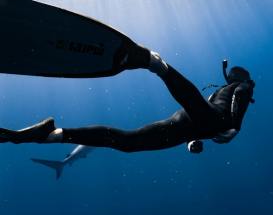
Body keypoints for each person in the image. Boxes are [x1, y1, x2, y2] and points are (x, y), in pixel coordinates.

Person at [0, 52, 255, 154]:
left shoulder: (219, 91)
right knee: (128, 141)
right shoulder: (243, 86)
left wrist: (191, 142)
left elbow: (199, 108)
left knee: (128, 143)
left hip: (187, 125)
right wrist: (236, 127)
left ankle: (53, 134)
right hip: (206, 122)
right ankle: (155, 63)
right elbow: (239, 102)